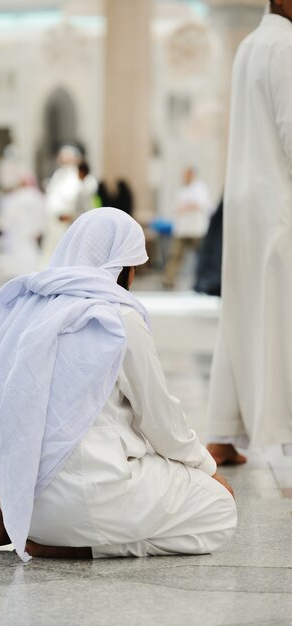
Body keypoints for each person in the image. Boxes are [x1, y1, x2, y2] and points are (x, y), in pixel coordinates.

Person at [0, 208, 236, 561]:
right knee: (220, 510)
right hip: (95, 499)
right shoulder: (118, 318)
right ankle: (87, 547)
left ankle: (12, 518)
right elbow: (162, 422)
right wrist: (207, 469)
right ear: (123, 268)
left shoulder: (25, 310)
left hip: (23, 499)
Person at [206, 1, 292, 466]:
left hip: (245, 203)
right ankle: (278, 428)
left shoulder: (250, 45)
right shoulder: (286, 46)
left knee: (240, 314)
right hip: (280, 205)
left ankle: (222, 432)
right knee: (281, 316)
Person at [163, 167, 212, 288]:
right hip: (182, 228)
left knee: (201, 255)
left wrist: (186, 207)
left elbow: (201, 204)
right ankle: (169, 278)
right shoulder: (182, 188)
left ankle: (205, 278)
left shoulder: (200, 187)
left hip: (196, 229)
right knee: (175, 254)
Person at [0, 173, 46, 278]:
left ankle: (20, 270)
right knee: (30, 249)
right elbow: (43, 213)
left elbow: (9, 213)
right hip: (31, 229)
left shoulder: (17, 196)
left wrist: (3, 224)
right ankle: (31, 269)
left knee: (19, 249)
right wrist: (40, 228)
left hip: (19, 229)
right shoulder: (37, 196)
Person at [42, 145, 82, 263]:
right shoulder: (58, 175)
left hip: (67, 221)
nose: (64, 160)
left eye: (68, 157)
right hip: (53, 222)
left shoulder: (78, 176)